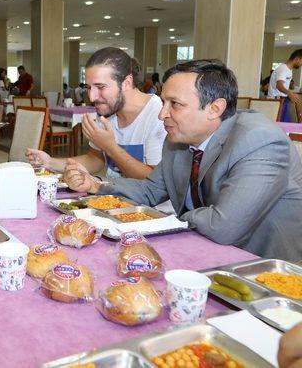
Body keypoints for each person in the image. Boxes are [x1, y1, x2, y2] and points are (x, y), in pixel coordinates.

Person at [65, 59, 302, 261]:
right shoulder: (178, 137)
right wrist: (96, 185)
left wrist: (172, 220)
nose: (162, 114)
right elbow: (151, 189)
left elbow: (224, 226)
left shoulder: (259, 140)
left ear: (215, 108)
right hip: (203, 247)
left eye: (174, 104)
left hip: (261, 265)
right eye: (163, 102)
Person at [27, 47, 165, 181]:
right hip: (116, 198)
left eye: (100, 87)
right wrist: (50, 162)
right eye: (88, 88)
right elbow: (95, 159)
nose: (92, 97)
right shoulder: (108, 111)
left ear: (126, 83)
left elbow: (155, 181)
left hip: (150, 205)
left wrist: (110, 147)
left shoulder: (160, 115)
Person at [268, 49, 302, 120]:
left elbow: (283, 86)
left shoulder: (288, 70)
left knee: (284, 124)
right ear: (297, 59)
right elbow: (279, 85)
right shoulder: (283, 69)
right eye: (301, 62)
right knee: (281, 126)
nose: (301, 64)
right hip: (276, 102)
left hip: (282, 101)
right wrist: (289, 93)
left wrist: (290, 93)